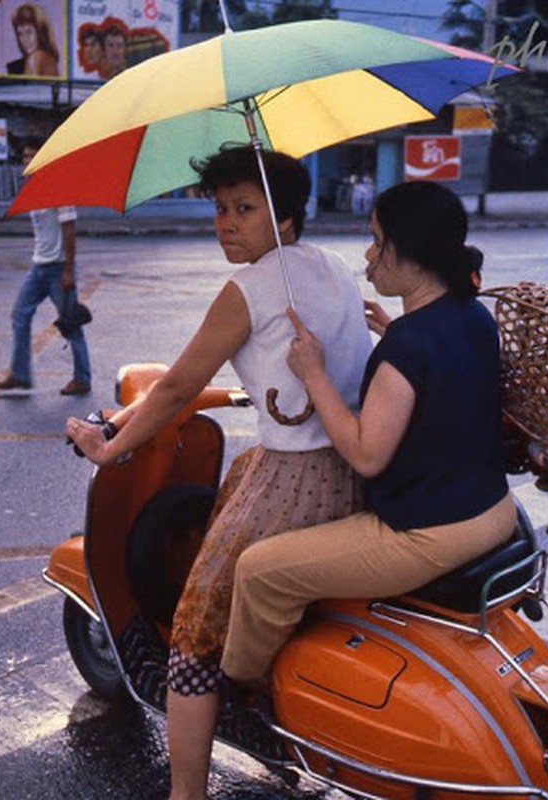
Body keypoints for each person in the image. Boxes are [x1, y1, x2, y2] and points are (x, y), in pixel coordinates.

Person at [64, 145, 372, 800]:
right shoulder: (333, 268)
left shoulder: (251, 288)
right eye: (219, 208)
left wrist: (111, 446)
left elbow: (175, 388)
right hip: (349, 471)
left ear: (285, 217)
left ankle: (186, 792)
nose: (225, 223)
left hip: (293, 480)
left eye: (244, 209)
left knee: (194, 629)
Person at [221, 180, 518, 696]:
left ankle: (244, 691)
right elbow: (439, 372)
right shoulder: (471, 314)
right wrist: (395, 332)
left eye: (378, 241)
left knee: (258, 569)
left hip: (427, 533)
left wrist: (313, 372)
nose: (368, 253)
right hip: (495, 512)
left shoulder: (409, 344)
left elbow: (366, 455)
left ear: (413, 253)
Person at [0, 137, 90, 396]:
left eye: (32, 157)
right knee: (20, 315)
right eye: (24, 157)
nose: (27, 162)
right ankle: (20, 374)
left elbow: (69, 232)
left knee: (71, 325)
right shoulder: (33, 191)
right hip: (38, 267)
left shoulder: (60, 189)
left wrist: (69, 271)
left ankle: (82, 379)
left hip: (58, 269)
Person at [7, 3, 60, 77]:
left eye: (29, 32)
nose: (25, 39)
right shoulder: (51, 59)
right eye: (20, 34)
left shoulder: (34, 58)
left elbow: (29, 88)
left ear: (40, 32)